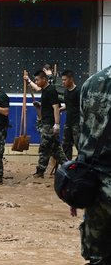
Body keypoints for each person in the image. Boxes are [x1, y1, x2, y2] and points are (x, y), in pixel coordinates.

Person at [76, 65, 111, 264]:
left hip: (95, 191)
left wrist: (76, 194)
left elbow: (84, 139)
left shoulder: (91, 83)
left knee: (98, 259)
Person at [25, 70, 67, 178]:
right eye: (35, 80)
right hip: (46, 122)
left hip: (49, 124)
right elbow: (48, 105)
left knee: (44, 148)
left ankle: (40, 172)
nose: (36, 81)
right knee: (56, 149)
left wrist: (57, 124)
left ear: (44, 79)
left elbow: (56, 107)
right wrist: (40, 105)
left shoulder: (51, 90)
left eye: (37, 79)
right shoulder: (45, 90)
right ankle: (68, 167)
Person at [60, 70, 81, 160]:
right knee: (66, 145)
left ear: (71, 79)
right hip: (68, 123)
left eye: (65, 80)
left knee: (79, 145)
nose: (63, 82)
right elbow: (69, 105)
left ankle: (82, 165)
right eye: (62, 80)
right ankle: (67, 165)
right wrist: (61, 109)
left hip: (77, 123)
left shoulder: (78, 92)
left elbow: (81, 107)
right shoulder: (66, 92)